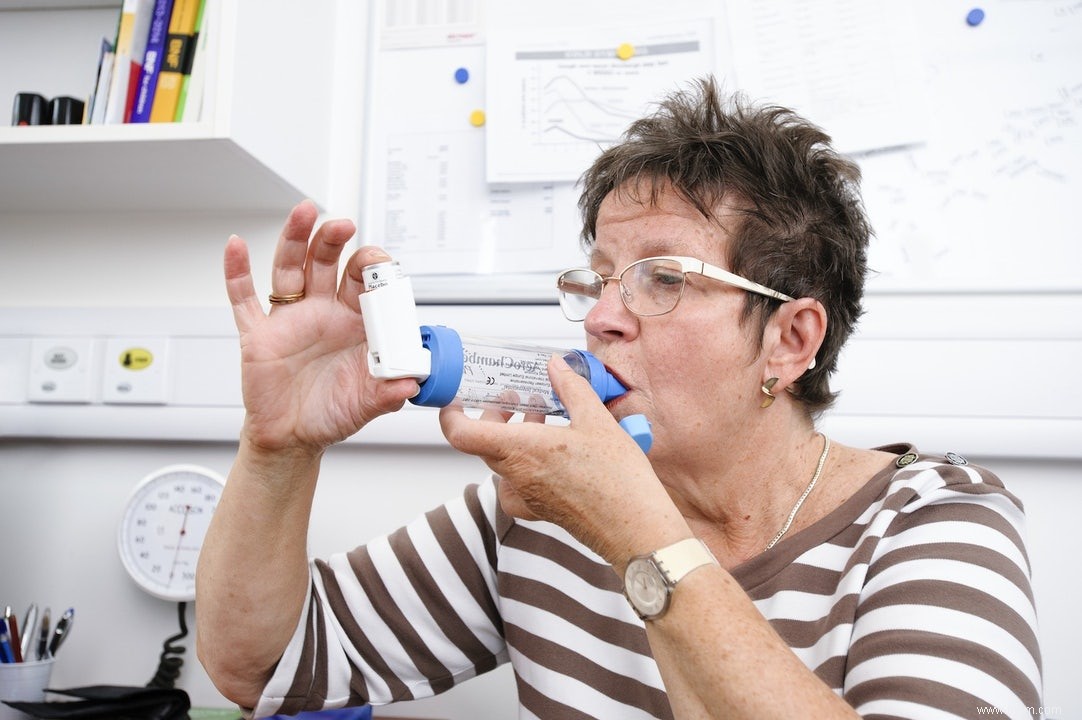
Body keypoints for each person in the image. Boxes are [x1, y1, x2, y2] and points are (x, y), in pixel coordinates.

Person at [196, 77, 1043, 719]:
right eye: (599, 280)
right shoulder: (542, 509)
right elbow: (264, 667)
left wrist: (634, 533)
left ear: (791, 340)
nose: (602, 318)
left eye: (661, 278)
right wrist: (279, 448)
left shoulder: (936, 522)